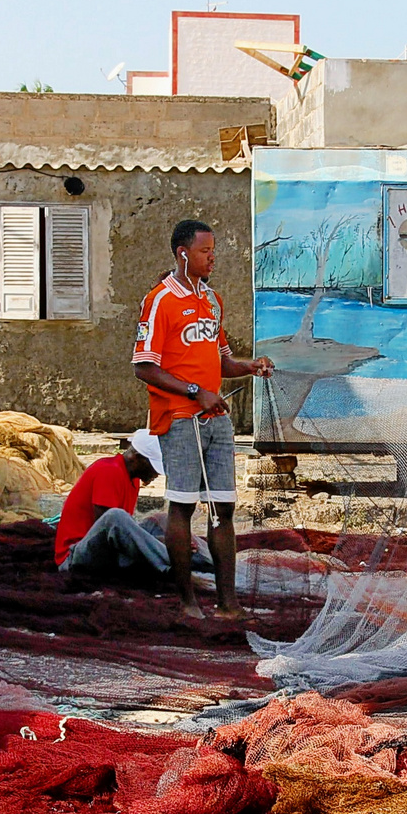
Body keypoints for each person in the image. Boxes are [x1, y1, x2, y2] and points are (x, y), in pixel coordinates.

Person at [131, 219, 273, 619]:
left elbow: (220, 360)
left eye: (214, 250)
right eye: (205, 251)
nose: (213, 257)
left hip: (215, 419)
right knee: (183, 506)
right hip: (178, 417)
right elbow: (144, 366)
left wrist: (249, 366)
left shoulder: (212, 299)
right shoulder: (160, 300)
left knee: (224, 507)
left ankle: (228, 604)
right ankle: (188, 603)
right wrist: (196, 392)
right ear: (183, 253)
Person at [55, 429, 209, 579]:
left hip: (107, 552)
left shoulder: (133, 479)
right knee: (116, 516)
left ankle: (210, 559)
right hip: (76, 557)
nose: (156, 474)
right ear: (136, 458)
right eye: (153, 466)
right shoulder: (109, 471)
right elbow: (108, 528)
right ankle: (177, 564)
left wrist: (170, 539)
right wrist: (160, 542)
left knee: (162, 520)